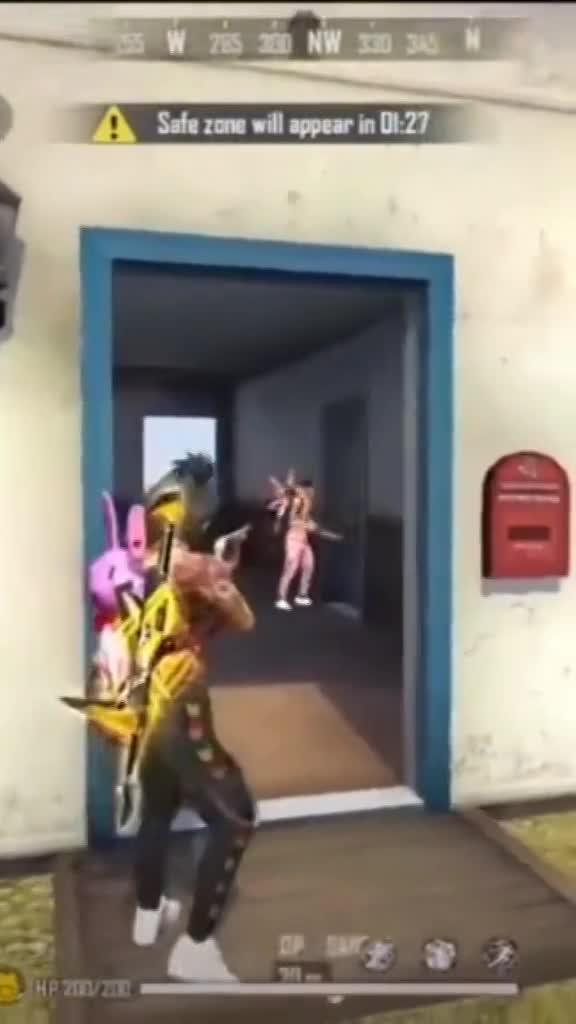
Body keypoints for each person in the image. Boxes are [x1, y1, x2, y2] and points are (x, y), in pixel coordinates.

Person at [63, 454, 256, 982]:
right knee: (236, 819)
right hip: (180, 708)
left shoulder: (138, 565)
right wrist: (223, 572)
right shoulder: (192, 565)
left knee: (158, 811)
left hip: (147, 712)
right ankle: (195, 948)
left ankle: (148, 914)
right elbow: (245, 619)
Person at [267, 471, 342, 611]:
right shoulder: (295, 502)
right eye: (309, 491)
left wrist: (331, 535)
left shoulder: (305, 508)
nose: (312, 494)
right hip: (293, 540)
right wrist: (284, 486)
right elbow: (289, 495)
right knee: (291, 568)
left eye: (312, 492)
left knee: (309, 565)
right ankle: (281, 598)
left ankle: (302, 595)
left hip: (303, 540)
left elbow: (314, 526)